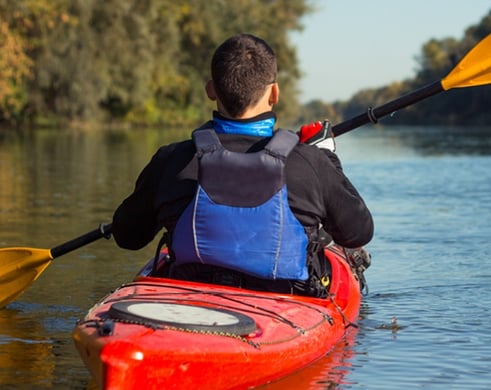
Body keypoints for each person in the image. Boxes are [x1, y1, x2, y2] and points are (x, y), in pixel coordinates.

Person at [110, 33, 373, 297]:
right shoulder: (310, 162)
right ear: (274, 93)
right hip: (284, 306)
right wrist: (327, 158)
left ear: (211, 90)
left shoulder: (171, 160)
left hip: (187, 298)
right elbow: (358, 233)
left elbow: (128, 236)